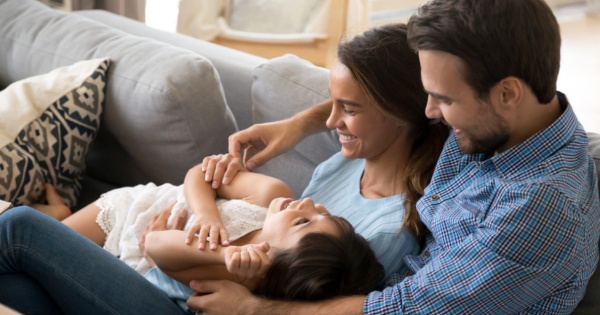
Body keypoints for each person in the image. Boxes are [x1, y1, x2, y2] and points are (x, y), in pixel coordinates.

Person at [187, 0, 600, 314]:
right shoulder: (500, 124)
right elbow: (385, 95)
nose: (430, 112)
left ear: (508, 93)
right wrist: (297, 125)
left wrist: (256, 309)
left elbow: (402, 308)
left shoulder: (540, 206)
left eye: (442, 99)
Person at [203, 22, 448, 279]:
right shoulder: (346, 163)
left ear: (400, 112)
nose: (330, 123)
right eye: (333, 102)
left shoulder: (385, 235)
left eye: (349, 109)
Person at [25, 164, 384, 314]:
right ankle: (58, 217)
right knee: (45, 240)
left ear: (276, 259)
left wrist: (223, 255)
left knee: (29, 278)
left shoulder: (239, 274)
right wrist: (208, 215)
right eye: (325, 213)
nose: (308, 203)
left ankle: (55, 216)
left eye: (304, 222)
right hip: (131, 213)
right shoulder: (271, 193)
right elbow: (199, 174)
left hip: (135, 259)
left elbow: (156, 247)